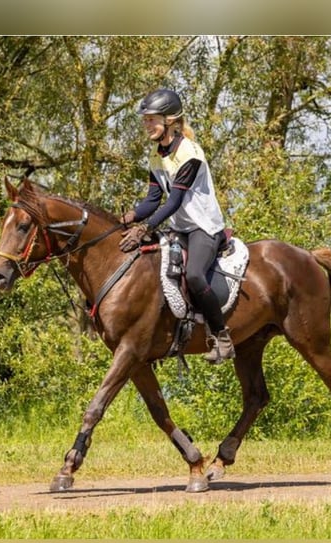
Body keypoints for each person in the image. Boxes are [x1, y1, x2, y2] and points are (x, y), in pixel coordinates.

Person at [119, 88, 235, 364]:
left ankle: (222, 337)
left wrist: (145, 228)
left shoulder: (190, 153)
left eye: (151, 120)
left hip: (203, 228)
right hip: (179, 229)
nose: (146, 125)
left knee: (194, 275)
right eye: (145, 120)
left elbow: (174, 202)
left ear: (170, 120)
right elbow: (152, 200)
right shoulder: (156, 154)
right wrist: (129, 217)